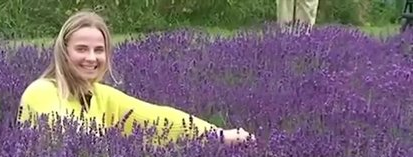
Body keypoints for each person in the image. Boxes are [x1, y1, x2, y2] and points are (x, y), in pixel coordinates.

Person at [16, 9, 255, 146]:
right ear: (64, 51)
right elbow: (67, 131)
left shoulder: (99, 95)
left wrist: (220, 136)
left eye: (99, 50)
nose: (91, 57)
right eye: (81, 49)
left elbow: (158, 118)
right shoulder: (42, 91)